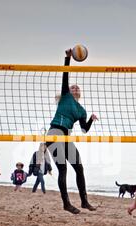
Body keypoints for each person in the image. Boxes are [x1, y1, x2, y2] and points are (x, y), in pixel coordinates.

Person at [45, 48, 98, 214]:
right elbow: (65, 75)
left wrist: (90, 119)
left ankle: (84, 201)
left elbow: (84, 129)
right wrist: (68, 58)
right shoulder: (65, 96)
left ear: (80, 93)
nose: (74, 88)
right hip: (54, 133)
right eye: (72, 87)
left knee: (79, 168)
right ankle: (66, 203)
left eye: (77, 88)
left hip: (66, 137)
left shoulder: (81, 110)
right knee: (63, 169)